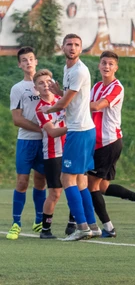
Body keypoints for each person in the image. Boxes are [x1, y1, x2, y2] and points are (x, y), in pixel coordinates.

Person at [44, 34, 99, 241]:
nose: (72, 47)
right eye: (69, 44)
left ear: (81, 49)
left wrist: (48, 109)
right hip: (84, 129)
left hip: (79, 131)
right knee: (81, 181)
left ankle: (82, 227)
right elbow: (69, 98)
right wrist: (58, 91)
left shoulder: (79, 70)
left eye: (76, 45)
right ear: (63, 47)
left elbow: (64, 104)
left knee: (66, 179)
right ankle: (92, 226)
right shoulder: (68, 69)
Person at [87, 51, 135, 238]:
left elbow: (96, 106)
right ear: (99, 65)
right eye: (104, 63)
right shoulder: (97, 86)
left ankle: (108, 227)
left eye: (111, 64)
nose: (106, 66)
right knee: (103, 187)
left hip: (109, 142)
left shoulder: (117, 88)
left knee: (90, 186)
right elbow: (89, 108)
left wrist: (68, 100)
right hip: (97, 142)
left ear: (116, 68)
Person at [7, 47, 46, 240]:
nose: (28, 62)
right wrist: (43, 128)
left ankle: (39, 221)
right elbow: (17, 119)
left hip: (45, 142)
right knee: (22, 182)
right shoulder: (18, 88)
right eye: (24, 60)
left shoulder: (47, 84)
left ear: (36, 61)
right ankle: (16, 224)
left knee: (41, 180)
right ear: (20, 64)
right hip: (26, 141)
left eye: (31, 59)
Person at [34, 69, 67, 239]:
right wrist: (74, 128)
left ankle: (73, 225)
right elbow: (53, 133)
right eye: (41, 83)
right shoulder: (40, 109)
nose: (45, 85)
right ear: (36, 88)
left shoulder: (61, 100)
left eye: (48, 82)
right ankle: (45, 229)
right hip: (53, 154)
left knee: (77, 186)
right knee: (55, 192)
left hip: (69, 150)